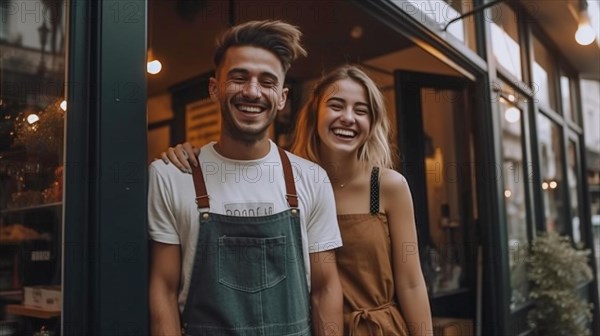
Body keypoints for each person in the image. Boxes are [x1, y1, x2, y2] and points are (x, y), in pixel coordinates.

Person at [164, 65, 433, 335]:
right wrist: (191, 157)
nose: (348, 118)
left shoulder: (387, 186)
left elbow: (411, 283)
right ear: (316, 114)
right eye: (336, 106)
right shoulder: (290, 180)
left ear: (372, 122)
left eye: (361, 110)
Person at [148, 20, 344, 336]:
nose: (252, 91)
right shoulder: (171, 176)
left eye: (267, 82)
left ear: (282, 97)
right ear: (215, 88)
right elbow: (163, 291)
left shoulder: (311, 179)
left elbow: (325, 289)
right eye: (239, 78)